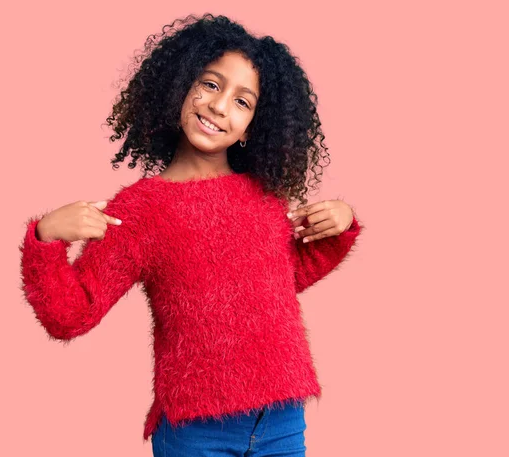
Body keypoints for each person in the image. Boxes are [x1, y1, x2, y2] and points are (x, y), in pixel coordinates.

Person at [19, 13, 365, 457]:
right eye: (211, 84)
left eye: (243, 101)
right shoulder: (140, 210)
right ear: (180, 84)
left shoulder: (264, 197)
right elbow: (71, 315)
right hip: (196, 432)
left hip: (282, 420)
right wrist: (47, 239)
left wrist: (339, 222)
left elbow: (282, 280)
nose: (220, 107)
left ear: (254, 126)